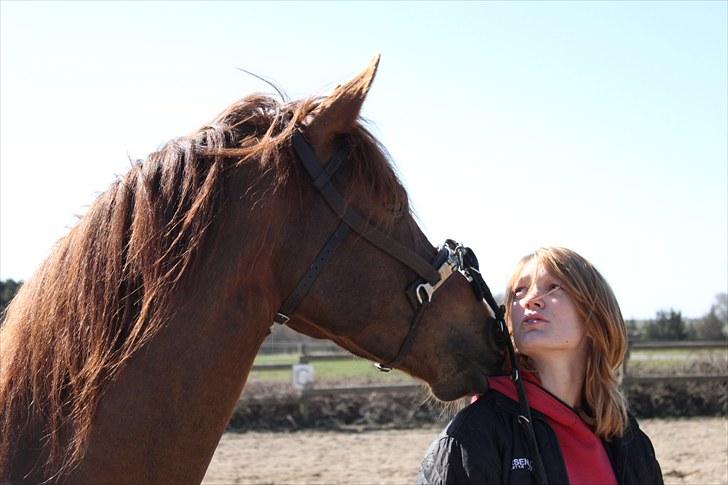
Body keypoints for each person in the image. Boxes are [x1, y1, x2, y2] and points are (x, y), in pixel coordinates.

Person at [416, 247, 663, 484]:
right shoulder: (474, 436)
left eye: (553, 287)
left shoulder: (626, 437)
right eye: (519, 291)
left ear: (595, 316)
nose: (530, 299)